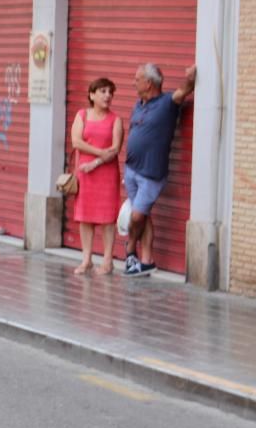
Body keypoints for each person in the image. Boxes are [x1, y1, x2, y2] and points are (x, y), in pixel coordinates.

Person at [122, 62, 196, 277]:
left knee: (137, 217)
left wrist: (191, 77)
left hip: (151, 173)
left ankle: (129, 249)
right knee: (143, 215)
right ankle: (147, 260)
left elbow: (185, 90)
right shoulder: (139, 105)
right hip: (132, 169)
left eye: (137, 79)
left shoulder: (167, 103)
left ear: (149, 83)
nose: (134, 83)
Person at [69, 77, 123, 275]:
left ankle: (107, 261)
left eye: (110, 92)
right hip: (85, 174)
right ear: (92, 95)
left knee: (107, 219)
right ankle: (86, 259)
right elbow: (76, 141)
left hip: (106, 174)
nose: (107, 95)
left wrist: (97, 161)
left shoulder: (115, 120)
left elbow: (115, 148)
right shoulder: (82, 115)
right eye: (103, 91)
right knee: (86, 217)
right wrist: (100, 152)